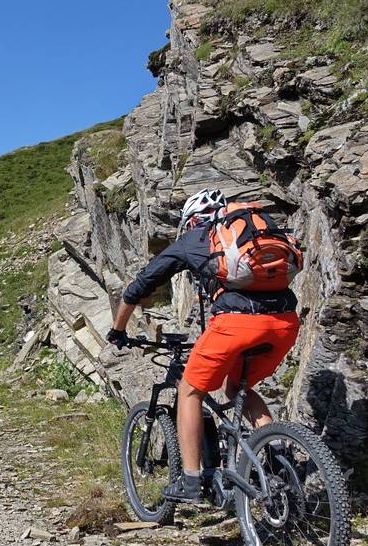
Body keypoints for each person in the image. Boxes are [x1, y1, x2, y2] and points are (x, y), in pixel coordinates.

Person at [105, 188, 300, 502]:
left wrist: (118, 329)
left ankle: (191, 481)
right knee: (238, 388)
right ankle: (277, 458)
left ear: (192, 220)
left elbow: (140, 286)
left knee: (189, 390)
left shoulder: (195, 239)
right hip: (285, 323)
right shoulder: (253, 232)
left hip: (235, 325)